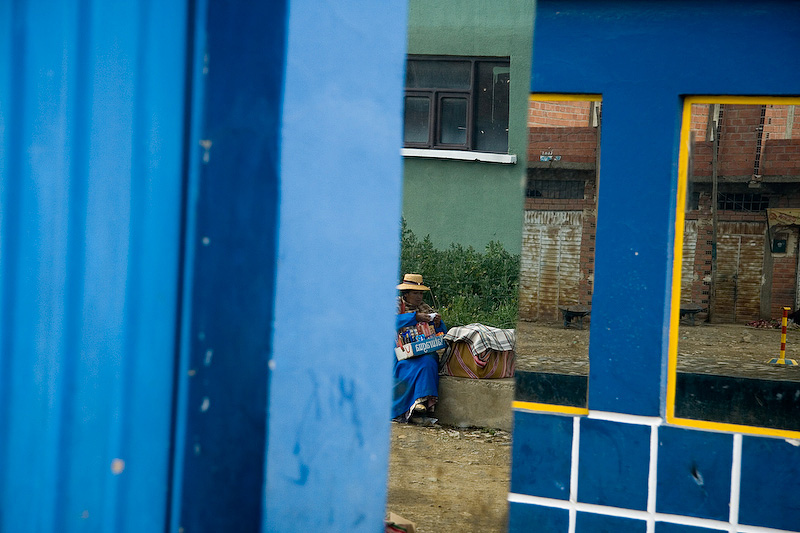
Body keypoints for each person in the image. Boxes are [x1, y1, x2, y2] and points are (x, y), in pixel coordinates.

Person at [393, 273, 446, 422]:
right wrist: (414, 318)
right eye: (415, 293)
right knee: (407, 366)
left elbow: (441, 332)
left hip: (423, 350)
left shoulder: (425, 308)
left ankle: (421, 402)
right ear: (406, 293)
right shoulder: (396, 305)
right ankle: (411, 406)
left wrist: (437, 323)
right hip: (401, 352)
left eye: (421, 294)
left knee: (428, 362)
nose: (419, 297)